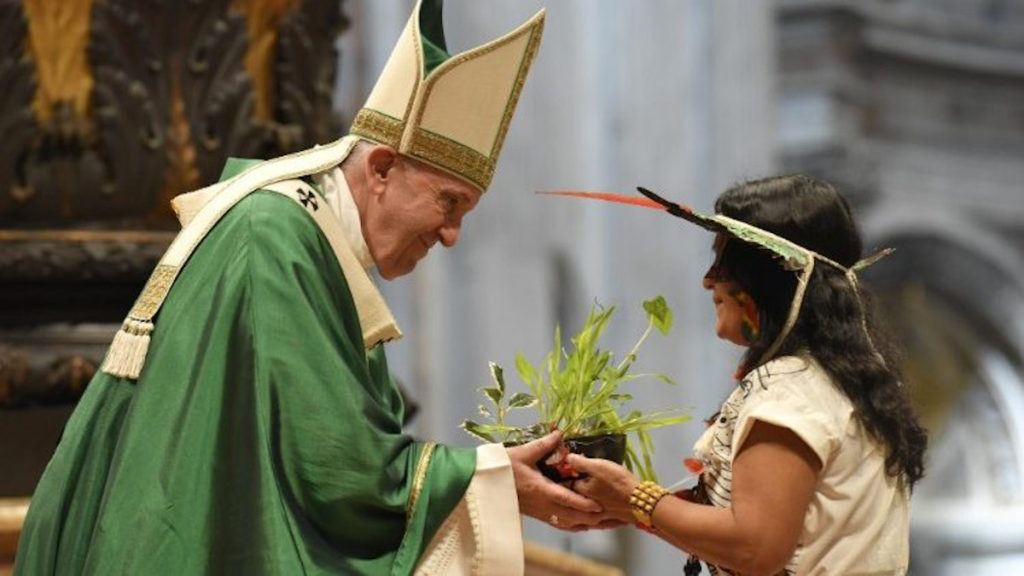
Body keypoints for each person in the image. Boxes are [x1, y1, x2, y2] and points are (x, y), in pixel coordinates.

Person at [15, 2, 604, 575]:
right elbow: (340, 473)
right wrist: (491, 480)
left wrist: (493, 476)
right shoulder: (277, 238)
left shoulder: (307, 239)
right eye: (449, 203)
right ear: (379, 170)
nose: (451, 235)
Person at [556, 175, 928, 575]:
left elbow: (756, 548)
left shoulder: (792, 393)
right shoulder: (824, 382)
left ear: (771, 277)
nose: (708, 279)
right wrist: (630, 505)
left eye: (724, 261)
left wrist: (635, 499)